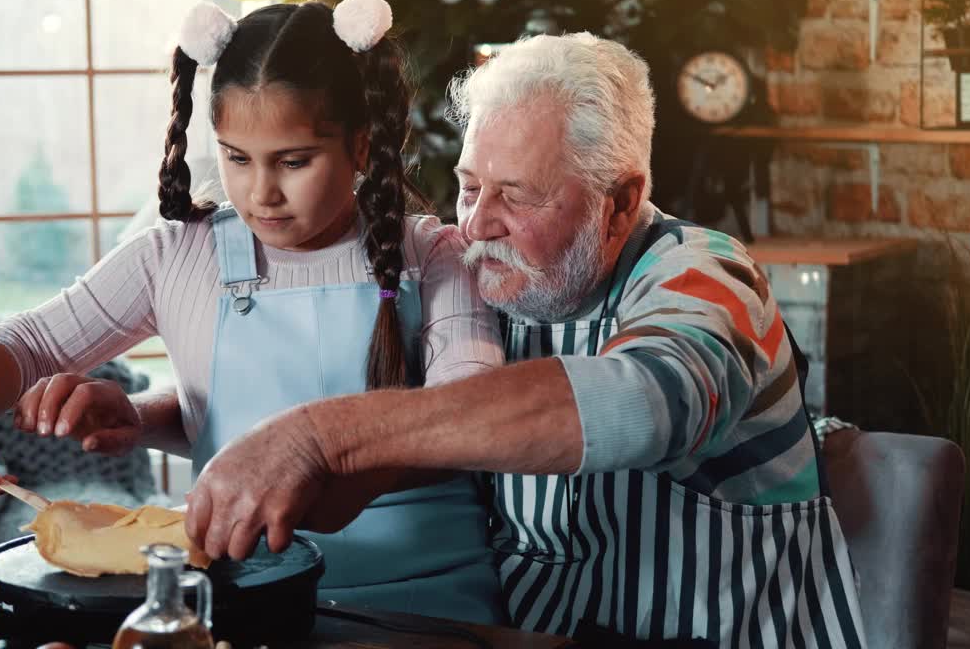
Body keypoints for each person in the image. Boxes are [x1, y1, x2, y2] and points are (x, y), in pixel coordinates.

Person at [184, 33, 867, 646]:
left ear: (621, 202)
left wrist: (320, 436)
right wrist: (162, 417)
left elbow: (646, 400)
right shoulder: (497, 289)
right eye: (469, 187)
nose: (477, 225)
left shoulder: (708, 274)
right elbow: (415, 420)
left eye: (516, 195)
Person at [0, 0, 508, 625]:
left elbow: (469, 415)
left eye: (294, 161)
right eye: (236, 158)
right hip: (246, 600)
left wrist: (338, 472)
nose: (262, 193)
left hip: (428, 603)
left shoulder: (435, 256)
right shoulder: (177, 257)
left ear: (360, 147)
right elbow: (26, 344)